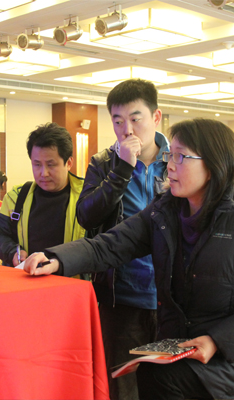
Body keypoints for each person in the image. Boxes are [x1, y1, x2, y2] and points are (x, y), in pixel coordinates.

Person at [23, 118, 234, 400]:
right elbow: (110, 245)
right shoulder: (164, 211)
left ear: (213, 165)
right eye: (169, 155)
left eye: (180, 157)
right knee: (146, 374)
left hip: (233, 351)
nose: (170, 166)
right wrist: (56, 258)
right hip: (179, 342)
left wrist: (216, 341)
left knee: (164, 380)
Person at [75, 78, 170, 400]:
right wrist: (121, 172)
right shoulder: (104, 163)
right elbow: (86, 216)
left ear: (156, 117)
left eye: (135, 118)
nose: (126, 130)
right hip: (121, 295)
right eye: (117, 121)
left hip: (172, 296)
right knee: (122, 386)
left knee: (168, 385)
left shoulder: (180, 159)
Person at [0, 122, 85, 267]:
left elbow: (100, 247)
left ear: (69, 163)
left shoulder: (88, 197)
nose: (43, 173)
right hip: (27, 277)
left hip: (70, 279)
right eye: (37, 164)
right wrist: (13, 252)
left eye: (51, 165)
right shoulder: (16, 198)